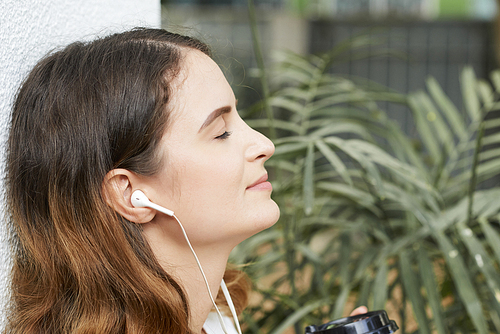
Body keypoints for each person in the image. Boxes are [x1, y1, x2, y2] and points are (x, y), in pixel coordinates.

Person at [5, 27, 366, 334]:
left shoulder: (213, 322)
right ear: (130, 194)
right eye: (221, 131)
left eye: (239, 118)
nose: (265, 145)